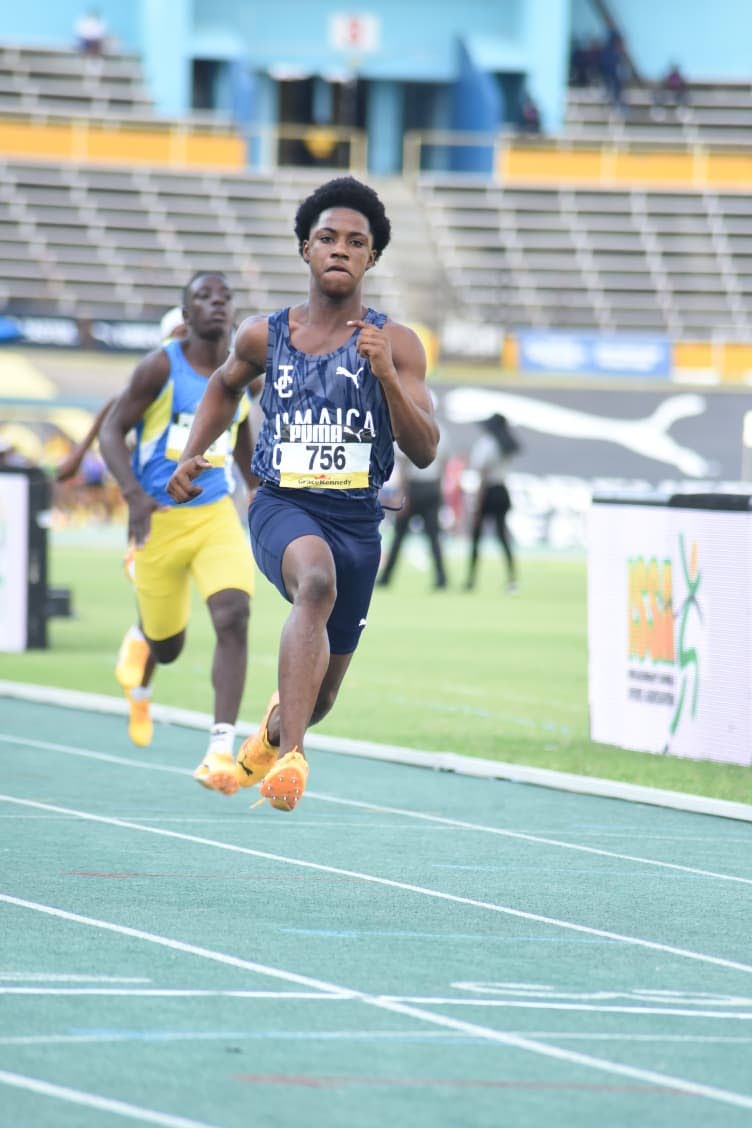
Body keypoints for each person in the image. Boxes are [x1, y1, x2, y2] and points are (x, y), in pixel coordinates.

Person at [167, 176, 438, 812]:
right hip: (282, 505)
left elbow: (424, 449)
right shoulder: (265, 335)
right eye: (327, 238)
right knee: (313, 581)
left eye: (355, 241)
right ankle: (293, 759)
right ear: (305, 250)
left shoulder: (396, 344)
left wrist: (387, 379)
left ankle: (271, 737)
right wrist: (192, 455)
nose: (340, 249)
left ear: (372, 258)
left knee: (320, 698)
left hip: (358, 524)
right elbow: (224, 387)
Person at [99, 272, 256, 762]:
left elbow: (244, 440)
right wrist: (134, 495)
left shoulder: (245, 369)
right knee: (169, 647)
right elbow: (111, 431)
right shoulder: (159, 368)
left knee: (233, 614)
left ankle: (221, 748)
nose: (217, 304)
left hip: (215, 516)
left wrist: (262, 494)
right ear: (186, 315)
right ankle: (142, 672)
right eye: (204, 298)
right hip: (159, 520)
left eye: (224, 298)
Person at [377, 438, 448, 590]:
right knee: (433, 537)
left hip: (414, 487)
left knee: (399, 536)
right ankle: (441, 578)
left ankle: (386, 577)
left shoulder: (409, 429)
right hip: (431, 487)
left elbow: (404, 467)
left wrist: (402, 493)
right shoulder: (441, 432)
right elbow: (443, 464)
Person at [464, 413, 519, 593]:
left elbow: (482, 474)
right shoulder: (505, 445)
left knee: (476, 537)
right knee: (502, 537)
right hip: (502, 491)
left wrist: (477, 501)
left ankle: (471, 580)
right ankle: (512, 579)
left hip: (488, 492)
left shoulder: (486, 444)